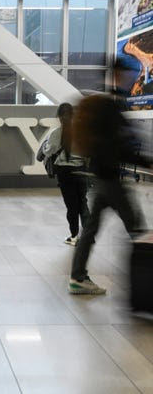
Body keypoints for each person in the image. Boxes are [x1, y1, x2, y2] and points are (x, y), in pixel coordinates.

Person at [69, 94, 150, 295]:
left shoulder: (93, 133)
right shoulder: (107, 132)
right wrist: (146, 162)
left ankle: (78, 277)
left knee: (90, 230)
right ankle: (146, 281)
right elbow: (122, 150)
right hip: (112, 183)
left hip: (102, 181)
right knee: (137, 230)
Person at [42, 103, 89, 246]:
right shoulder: (82, 132)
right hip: (81, 170)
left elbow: (48, 151)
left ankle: (74, 236)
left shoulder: (57, 133)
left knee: (72, 205)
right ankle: (88, 235)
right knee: (83, 203)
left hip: (65, 172)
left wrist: (44, 147)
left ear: (59, 116)